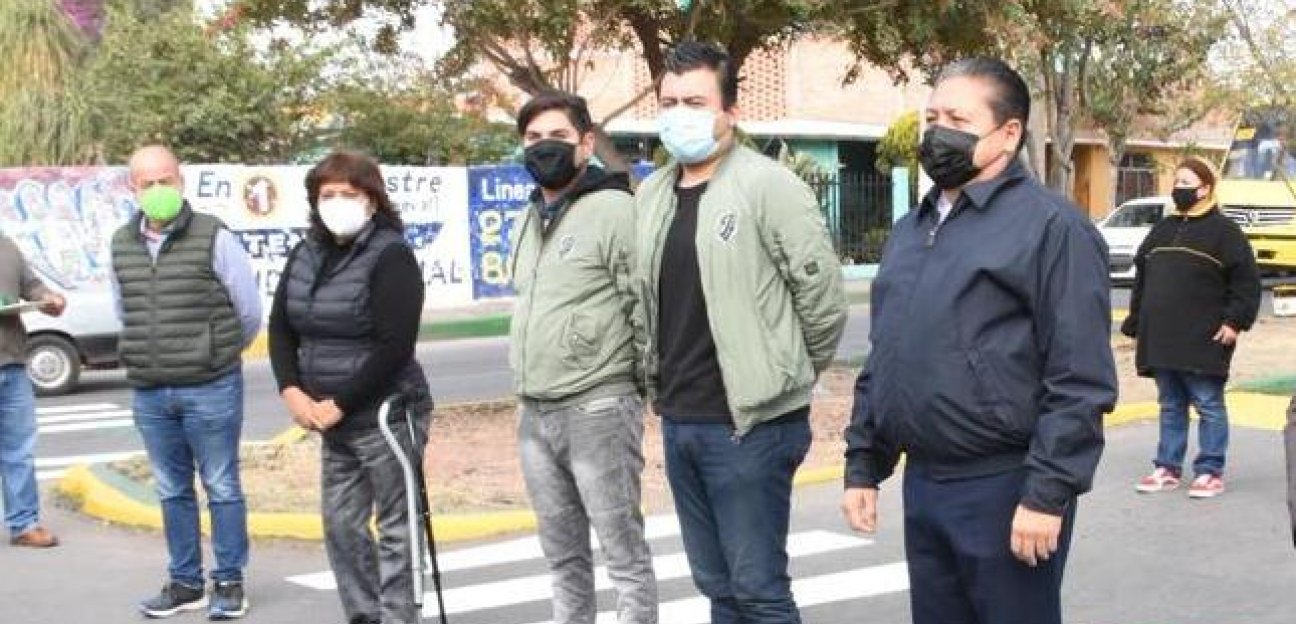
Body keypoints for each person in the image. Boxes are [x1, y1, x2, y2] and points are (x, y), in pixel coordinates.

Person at [841, 57, 1118, 624]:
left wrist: (1046, 493)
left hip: (1004, 486)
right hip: (926, 484)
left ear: (1009, 133)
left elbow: (1079, 378)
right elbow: (887, 354)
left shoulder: (1052, 228)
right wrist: (864, 462)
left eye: (958, 119)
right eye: (932, 117)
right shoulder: (911, 230)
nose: (937, 132)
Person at [633, 41, 848, 623]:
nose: (680, 114)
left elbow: (823, 302)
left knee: (758, 592)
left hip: (751, 426)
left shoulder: (768, 186)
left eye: (696, 102)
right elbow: (643, 301)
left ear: (730, 110)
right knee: (718, 587)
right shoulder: (651, 195)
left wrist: (783, 374)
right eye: (670, 102)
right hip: (681, 420)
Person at [509, 91, 657, 624]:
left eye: (558, 136)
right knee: (562, 556)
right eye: (533, 138)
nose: (544, 146)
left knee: (623, 553)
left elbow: (643, 306)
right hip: (535, 411)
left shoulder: (615, 209)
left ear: (586, 143)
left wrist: (634, 388)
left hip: (597, 406)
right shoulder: (529, 217)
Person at [268, 150, 433, 624]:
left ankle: (399, 617)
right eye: (328, 194)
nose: (337, 202)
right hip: (329, 419)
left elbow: (395, 345)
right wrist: (292, 391)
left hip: (385, 414)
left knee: (398, 528)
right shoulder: (306, 253)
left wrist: (341, 403)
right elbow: (281, 328)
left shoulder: (391, 254)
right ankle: (364, 616)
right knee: (342, 526)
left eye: (349, 193)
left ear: (372, 200)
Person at [110, 145, 262, 619]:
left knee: (221, 485)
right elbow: (124, 311)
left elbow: (248, 311)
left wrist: (216, 353)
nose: (157, 190)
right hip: (151, 390)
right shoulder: (121, 243)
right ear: (132, 188)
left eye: (165, 180)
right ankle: (185, 583)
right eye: (147, 183)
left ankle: (230, 582)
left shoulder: (214, 236)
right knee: (171, 489)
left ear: (181, 181)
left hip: (210, 386)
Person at [1121, 157, 1261, 498]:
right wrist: (1136, 321)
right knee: (1170, 404)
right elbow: (1143, 279)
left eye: (1186, 183)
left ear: (1205, 188)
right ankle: (1167, 467)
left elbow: (1246, 283)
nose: (1179, 188)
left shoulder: (1225, 232)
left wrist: (1234, 322)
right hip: (1161, 336)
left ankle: (1210, 470)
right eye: (1177, 182)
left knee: (1208, 403)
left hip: (1205, 336)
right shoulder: (1162, 229)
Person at [0, 234, 66, 548]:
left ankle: (24, 523)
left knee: (19, 451)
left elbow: (32, 286)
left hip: (11, 365)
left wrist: (49, 299)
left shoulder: (6, 246)